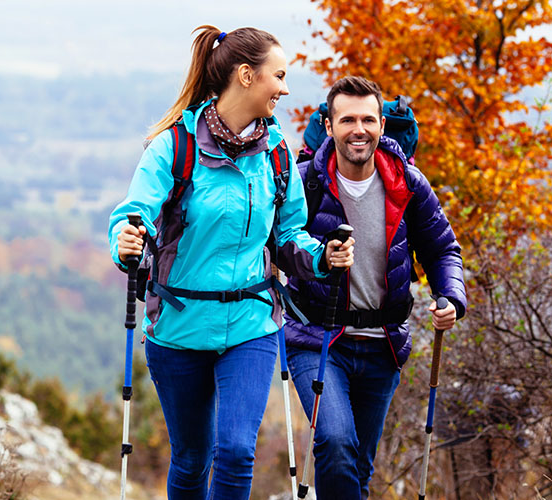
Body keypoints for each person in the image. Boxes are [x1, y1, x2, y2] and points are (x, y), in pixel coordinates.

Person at [109, 25, 354, 500]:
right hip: (179, 327)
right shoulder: (174, 147)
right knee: (192, 458)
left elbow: (287, 235)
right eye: (278, 76)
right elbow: (134, 214)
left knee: (237, 450)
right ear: (246, 75)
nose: (285, 88)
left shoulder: (277, 153)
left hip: (251, 323)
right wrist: (126, 241)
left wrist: (322, 257)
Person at [283, 76, 467, 499]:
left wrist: (451, 296)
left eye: (368, 119)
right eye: (347, 120)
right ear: (328, 127)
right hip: (318, 338)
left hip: (383, 343)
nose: (359, 129)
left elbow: (442, 250)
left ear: (383, 125)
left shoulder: (408, 183)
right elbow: (279, 244)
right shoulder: (306, 182)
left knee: (359, 467)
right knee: (335, 443)